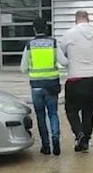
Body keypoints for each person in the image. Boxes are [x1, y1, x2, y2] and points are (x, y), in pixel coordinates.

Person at [20, 17, 68, 156]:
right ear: (46, 28)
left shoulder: (30, 45)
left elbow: (23, 68)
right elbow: (64, 62)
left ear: (34, 29)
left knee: (40, 116)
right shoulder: (52, 43)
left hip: (36, 86)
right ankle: (56, 138)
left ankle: (45, 146)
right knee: (53, 113)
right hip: (52, 85)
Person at [60, 10, 93, 152]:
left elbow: (63, 53)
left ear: (76, 19)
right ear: (88, 19)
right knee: (89, 111)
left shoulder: (69, 34)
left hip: (75, 78)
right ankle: (86, 140)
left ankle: (79, 134)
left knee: (71, 110)